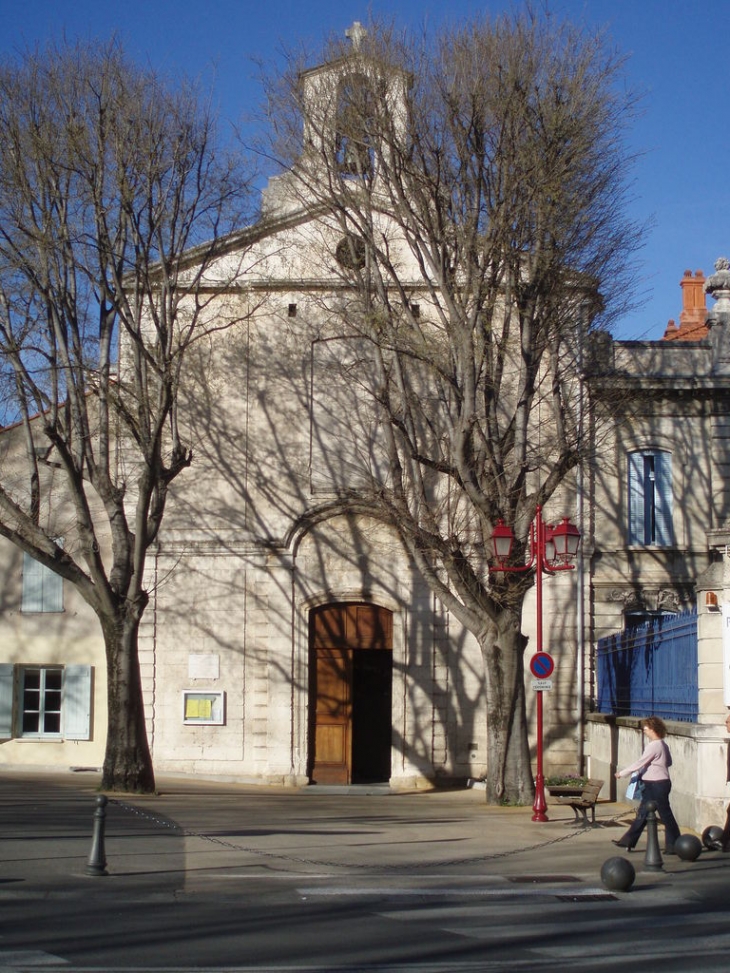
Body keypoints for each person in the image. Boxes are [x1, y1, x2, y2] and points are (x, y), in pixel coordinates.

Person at [612, 716, 681, 854]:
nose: (644, 731)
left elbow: (640, 762)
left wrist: (622, 773)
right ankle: (628, 841)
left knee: (665, 814)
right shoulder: (663, 744)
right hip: (654, 783)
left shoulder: (654, 745)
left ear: (653, 729)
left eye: (646, 728)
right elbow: (669, 762)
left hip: (657, 784)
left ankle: (675, 843)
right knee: (643, 813)